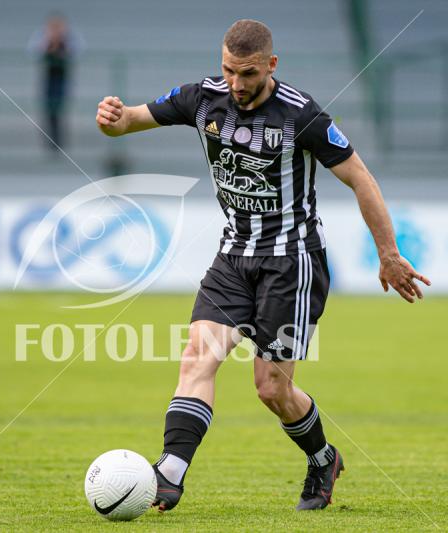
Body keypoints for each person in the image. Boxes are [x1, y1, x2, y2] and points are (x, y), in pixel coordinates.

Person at [96, 19, 430, 512]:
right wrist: (115, 118)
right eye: (228, 70)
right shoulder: (201, 98)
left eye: (248, 73)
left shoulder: (301, 114)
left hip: (292, 265)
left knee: (272, 388)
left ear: (271, 65)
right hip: (233, 257)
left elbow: (361, 178)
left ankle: (323, 458)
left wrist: (388, 253)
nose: (236, 83)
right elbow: (130, 120)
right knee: (197, 356)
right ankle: (169, 472)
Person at [27, 13, 80, 152]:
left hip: (62, 78)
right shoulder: (42, 37)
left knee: (60, 109)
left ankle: (58, 141)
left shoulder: (69, 38)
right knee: (49, 109)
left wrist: (62, 46)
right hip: (48, 78)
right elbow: (34, 52)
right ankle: (51, 141)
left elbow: (77, 52)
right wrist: (48, 44)